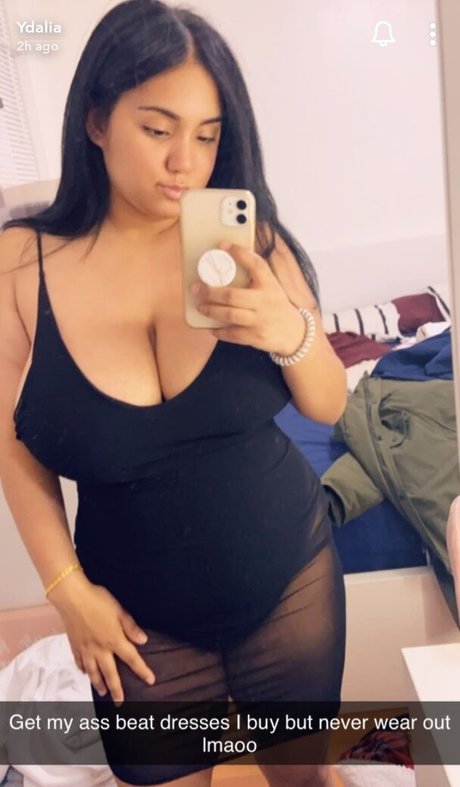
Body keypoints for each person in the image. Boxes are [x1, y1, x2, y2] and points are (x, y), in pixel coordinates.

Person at [0, 1, 347, 784]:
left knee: (306, 778)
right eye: (158, 129)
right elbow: (10, 440)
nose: (185, 161)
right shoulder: (21, 263)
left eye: (208, 134)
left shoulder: (250, 243)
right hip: (134, 621)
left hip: (289, 583)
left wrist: (288, 329)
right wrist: (66, 591)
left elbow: (329, 404)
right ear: (96, 120)